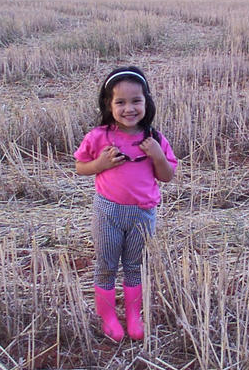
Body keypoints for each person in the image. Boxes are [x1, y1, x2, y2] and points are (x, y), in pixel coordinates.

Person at [74, 66, 177, 341]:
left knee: (135, 265)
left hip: (143, 214)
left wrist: (156, 155)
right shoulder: (99, 136)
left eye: (136, 101)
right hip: (108, 212)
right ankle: (107, 315)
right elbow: (80, 167)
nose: (129, 108)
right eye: (120, 102)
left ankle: (134, 315)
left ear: (147, 102)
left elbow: (167, 176)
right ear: (109, 104)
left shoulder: (155, 139)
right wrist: (100, 164)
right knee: (106, 264)